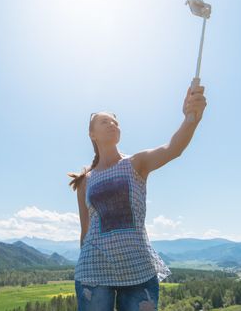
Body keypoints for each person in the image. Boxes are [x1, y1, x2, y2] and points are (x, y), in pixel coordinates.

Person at [67, 84, 207, 310]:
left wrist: (191, 118)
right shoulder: (85, 180)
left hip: (138, 267)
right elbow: (85, 232)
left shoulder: (136, 164)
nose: (113, 124)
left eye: (116, 122)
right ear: (91, 134)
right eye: (105, 121)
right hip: (93, 270)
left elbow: (173, 148)